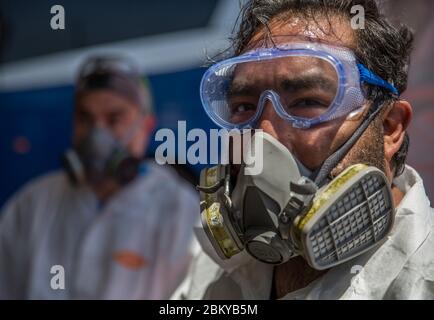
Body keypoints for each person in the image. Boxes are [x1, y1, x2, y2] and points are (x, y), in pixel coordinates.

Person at [173, 0, 434, 300]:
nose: (264, 137)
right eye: (244, 107)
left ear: (389, 127)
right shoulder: (218, 276)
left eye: (307, 102)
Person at [0, 55, 199, 299]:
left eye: (114, 119)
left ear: (145, 126)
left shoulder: (181, 211)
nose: (97, 133)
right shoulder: (34, 203)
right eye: (85, 118)